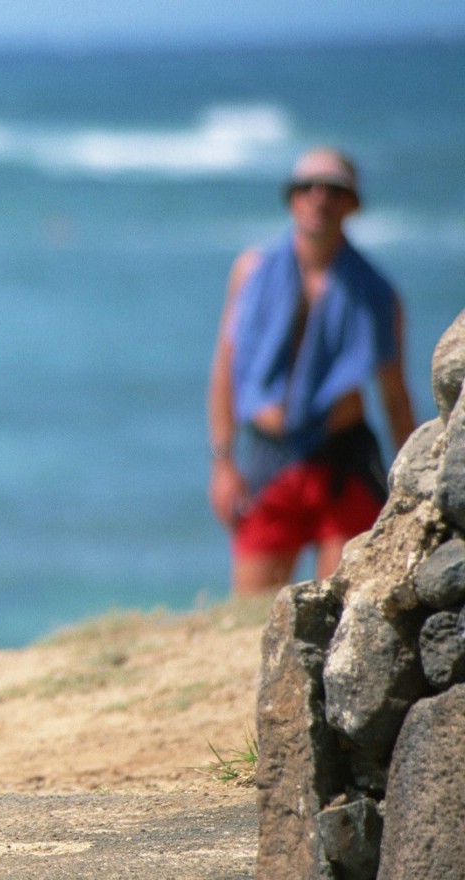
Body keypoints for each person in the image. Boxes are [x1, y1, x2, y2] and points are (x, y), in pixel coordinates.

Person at [207, 146, 416, 594]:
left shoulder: (377, 295)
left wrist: (415, 488)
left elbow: (394, 398)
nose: (319, 198)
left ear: (351, 204)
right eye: (307, 187)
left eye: (334, 190)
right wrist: (224, 462)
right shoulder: (252, 271)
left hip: (340, 459)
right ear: (292, 199)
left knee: (342, 611)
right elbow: (226, 370)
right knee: (251, 618)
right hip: (267, 458)